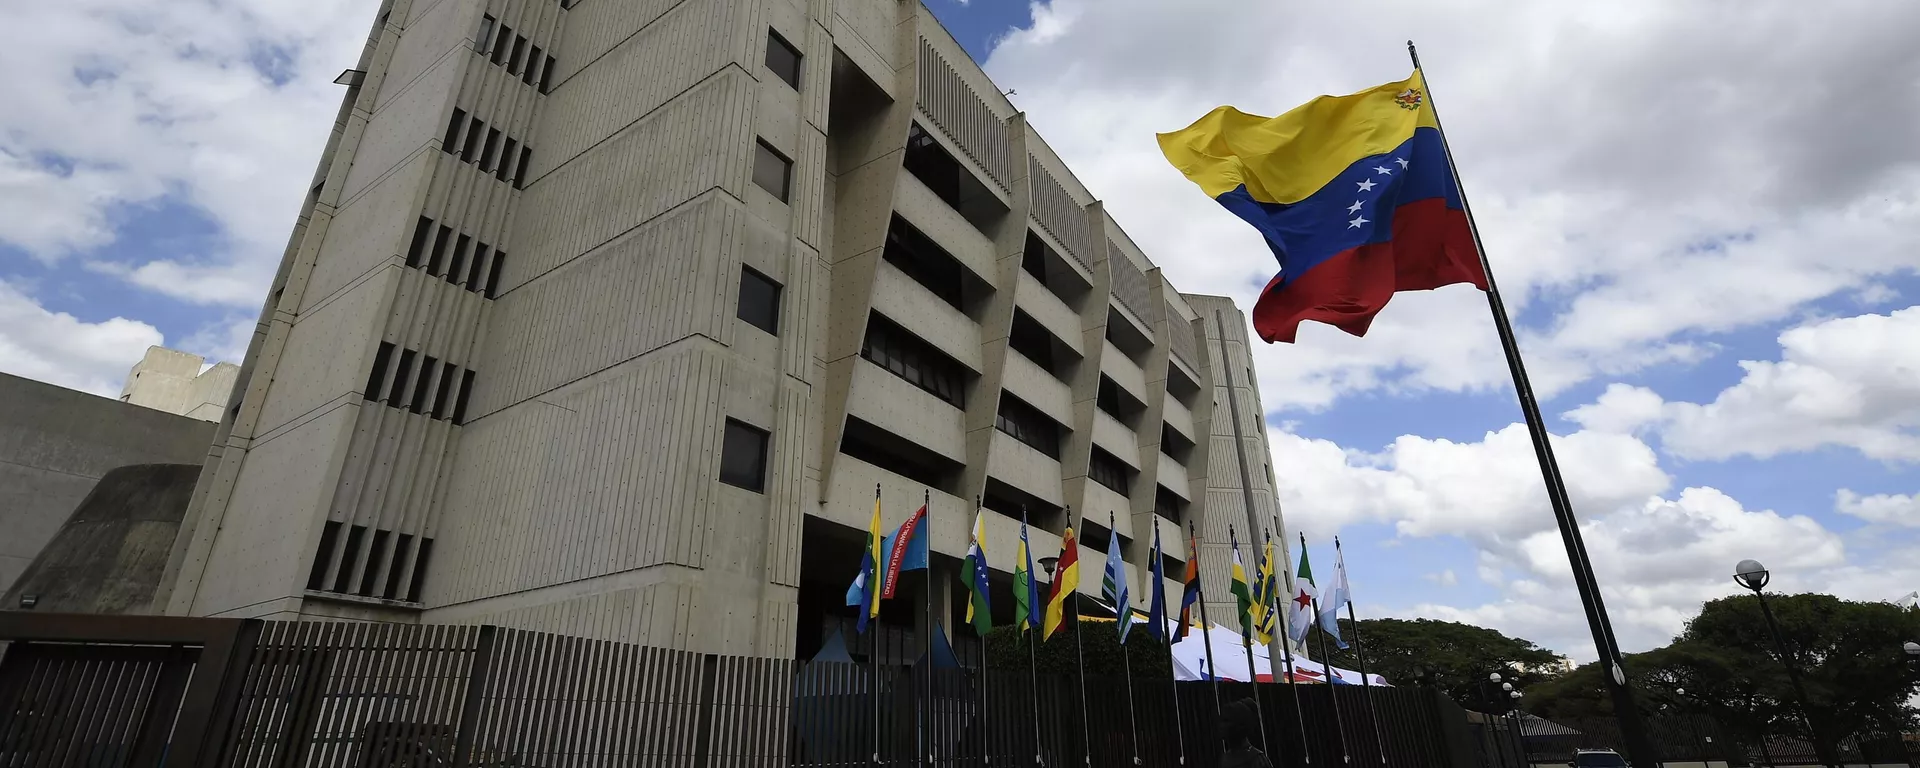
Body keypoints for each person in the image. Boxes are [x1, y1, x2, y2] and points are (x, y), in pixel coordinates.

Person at [1218, 697, 1274, 768]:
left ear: (1240, 725)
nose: (1221, 726)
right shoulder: (1225, 759)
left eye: (1226, 721)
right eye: (1222, 721)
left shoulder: (1258, 760)